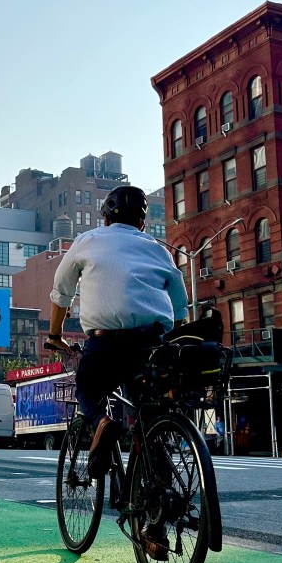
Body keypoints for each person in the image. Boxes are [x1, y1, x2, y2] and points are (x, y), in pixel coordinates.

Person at [44, 184, 189, 472]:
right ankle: (160, 483)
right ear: (142, 223)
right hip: (149, 341)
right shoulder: (158, 250)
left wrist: (55, 336)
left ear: (106, 219)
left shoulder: (87, 241)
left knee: (87, 389)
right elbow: (180, 308)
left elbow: (62, 292)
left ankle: (102, 423)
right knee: (147, 410)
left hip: (105, 343)